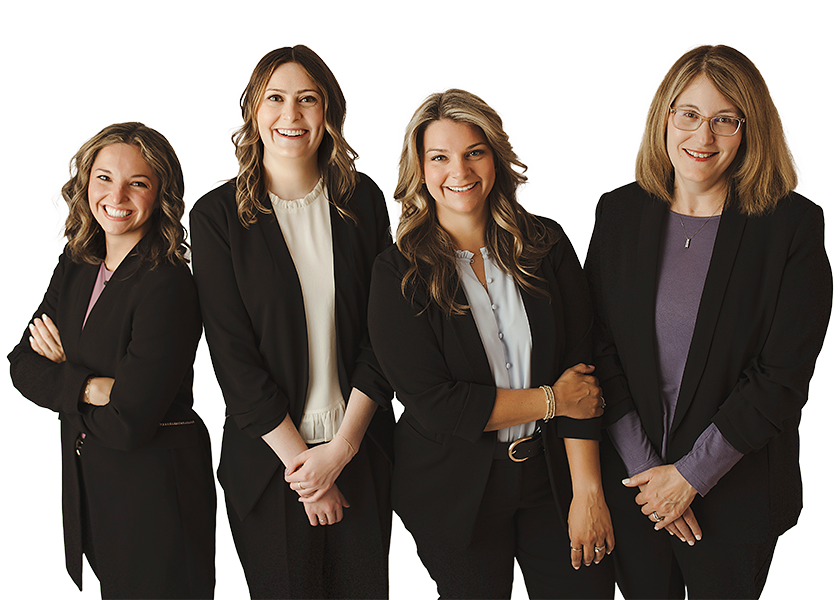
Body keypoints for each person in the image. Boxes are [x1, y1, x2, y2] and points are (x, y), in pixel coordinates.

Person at [585, 44, 833, 600]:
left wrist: (690, 477)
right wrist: (654, 479)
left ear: (750, 129)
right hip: (636, 487)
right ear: (665, 117)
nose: (703, 136)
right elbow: (598, 348)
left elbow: (782, 377)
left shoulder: (791, 226)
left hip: (735, 493)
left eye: (726, 119)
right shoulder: (619, 213)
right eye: (690, 114)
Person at [368, 88, 615, 600]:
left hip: (556, 474)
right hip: (453, 492)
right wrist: (552, 399)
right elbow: (437, 405)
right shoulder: (398, 272)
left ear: (495, 157)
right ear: (420, 168)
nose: (458, 170)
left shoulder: (546, 245)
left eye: (473, 152)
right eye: (440, 157)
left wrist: (588, 491)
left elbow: (582, 371)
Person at [189, 45, 394, 600]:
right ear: (254, 111)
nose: (291, 115)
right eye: (275, 99)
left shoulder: (363, 201)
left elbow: (384, 336)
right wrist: (309, 475)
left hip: (359, 449)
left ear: (328, 112)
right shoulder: (215, 218)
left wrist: (341, 451)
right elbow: (234, 361)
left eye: (308, 99)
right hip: (270, 465)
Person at [8, 121, 216, 599]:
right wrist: (90, 387)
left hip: (156, 500)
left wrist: (64, 375)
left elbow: (128, 420)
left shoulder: (168, 284)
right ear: (85, 184)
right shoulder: (77, 263)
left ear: (161, 192)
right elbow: (22, 363)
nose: (116, 194)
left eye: (137, 182)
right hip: (94, 491)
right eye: (104, 177)